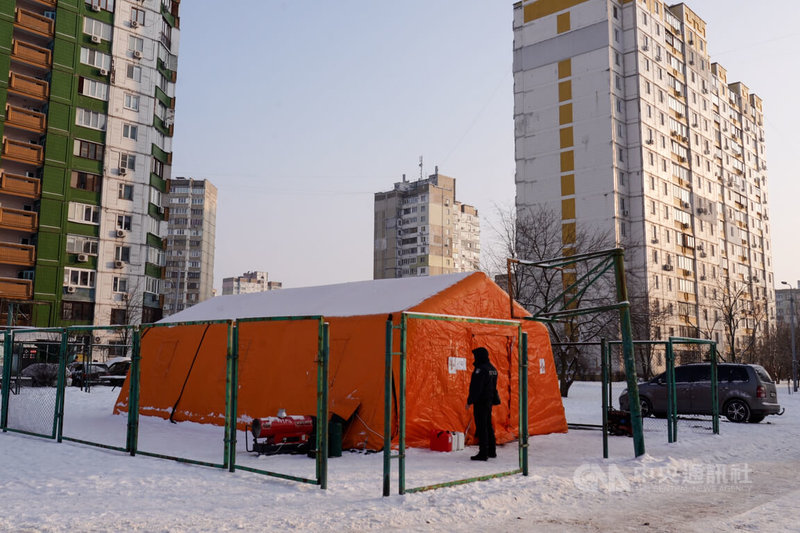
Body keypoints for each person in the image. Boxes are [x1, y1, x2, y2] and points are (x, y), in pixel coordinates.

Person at [466, 347, 501, 461]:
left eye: (475, 356)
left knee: (482, 427)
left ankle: (483, 453)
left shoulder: (480, 369)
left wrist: (470, 401)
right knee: (488, 426)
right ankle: (492, 450)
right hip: (489, 401)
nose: (474, 358)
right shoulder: (493, 369)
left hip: (481, 402)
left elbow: (476, 388)